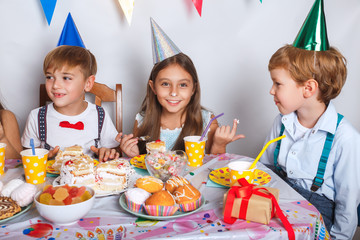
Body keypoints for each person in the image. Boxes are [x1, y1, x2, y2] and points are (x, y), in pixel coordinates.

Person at [260, 44, 360, 239]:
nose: (271, 90)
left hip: (317, 222)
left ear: (308, 88)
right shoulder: (281, 122)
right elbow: (264, 170)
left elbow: (347, 203)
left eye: (278, 83)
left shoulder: (345, 137)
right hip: (277, 209)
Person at [117, 53, 244, 157]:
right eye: (165, 84)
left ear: (193, 88)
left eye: (183, 85)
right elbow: (142, 168)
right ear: (153, 87)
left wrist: (219, 145)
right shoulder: (142, 120)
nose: (173, 93)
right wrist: (134, 155)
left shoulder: (207, 122)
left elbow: (214, 168)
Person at [21, 45, 120, 162]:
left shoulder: (100, 115)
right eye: (49, 77)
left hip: (88, 177)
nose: (56, 85)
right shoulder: (36, 117)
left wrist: (107, 153)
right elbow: (29, 157)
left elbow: (112, 152)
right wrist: (42, 159)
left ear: (88, 83)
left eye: (66, 78)